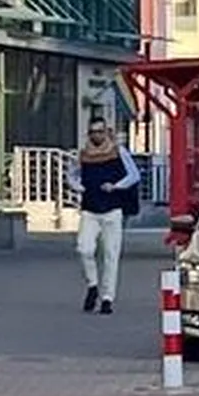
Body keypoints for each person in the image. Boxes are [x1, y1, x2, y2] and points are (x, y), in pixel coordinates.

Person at [75, 115, 141, 314]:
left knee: (111, 256)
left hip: (112, 210)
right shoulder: (84, 154)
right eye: (93, 132)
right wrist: (78, 187)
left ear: (106, 132)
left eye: (100, 131)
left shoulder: (117, 152)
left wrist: (116, 186)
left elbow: (134, 175)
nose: (97, 135)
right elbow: (72, 174)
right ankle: (93, 285)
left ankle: (107, 298)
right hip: (90, 209)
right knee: (84, 249)